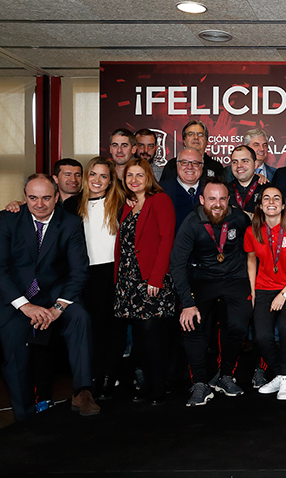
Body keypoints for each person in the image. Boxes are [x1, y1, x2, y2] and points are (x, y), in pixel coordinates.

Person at [0, 174, 95, 420]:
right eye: (33, 198)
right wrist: (25, 306)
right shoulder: (7, 220)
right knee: (12, 339)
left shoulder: (71, 223)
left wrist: (58, 308)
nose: (39, 204)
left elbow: (79, 271)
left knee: (80, 318)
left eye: (45, 198)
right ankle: (24, 414)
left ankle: (83, 391)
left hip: (56, 295)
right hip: (18, 298)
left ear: (56, 198)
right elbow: (1, 270)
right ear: (24, 198)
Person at [170, 177, 252, 407]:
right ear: (202, 199)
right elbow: (176, 263)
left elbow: (253, 251)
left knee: (237, 325)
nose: (217, 204)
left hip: (235, 278)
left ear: (229, 200)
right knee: (191, 323)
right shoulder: (191, 222)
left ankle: (225, 375)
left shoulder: (239, 218)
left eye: (222, 199)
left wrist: (256, 287)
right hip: (204, 279)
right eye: (212, 199)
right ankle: (199, 383)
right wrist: (187, 303)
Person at [114, 158, 177, 406]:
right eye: (130, 176)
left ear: (149, 177)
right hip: (128, 279)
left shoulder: (159, 200)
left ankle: (159, 387)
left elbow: (166, 239)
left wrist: (156, 277)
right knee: (140, 337)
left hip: (150, 279)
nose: (134, 180)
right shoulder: (128, 204)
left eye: (140, 175)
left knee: (152, 336)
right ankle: (148, 383)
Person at [63, 157, 127, 400]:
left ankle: (109, 376)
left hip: (114, 271)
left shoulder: (120, 201)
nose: (97, 180)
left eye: (103, 176)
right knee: (92, 328)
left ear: (111, 180)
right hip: (84, 273)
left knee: (115, 326)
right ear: (86, 177)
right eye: (93, 175)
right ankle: (92, 376)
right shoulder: (71, 205)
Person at [245, 184, 286, 401]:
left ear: (283, 205)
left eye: (276, 199)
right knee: (262, 336)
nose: (271, 202)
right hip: (264, 287)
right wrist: (253, 291)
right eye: (266, 199)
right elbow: (251, 259)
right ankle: (282, 374)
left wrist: (284, 294)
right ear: (261, 206)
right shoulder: (253, 230)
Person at [161, 148, 204, 232]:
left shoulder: (211, 190)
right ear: (177, 164)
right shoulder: (162, 191)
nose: (189, 167)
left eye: (195, 163)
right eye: (184, 162)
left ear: (202, 166)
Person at [227, 145, 263, 215]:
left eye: (245, 161)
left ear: (255, 164)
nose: (239, 165)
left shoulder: (266, 189)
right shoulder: (225, 191)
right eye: (235, 162)